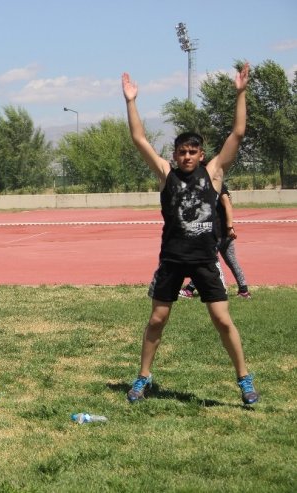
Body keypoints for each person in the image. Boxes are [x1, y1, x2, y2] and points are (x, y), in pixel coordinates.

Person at [121, 63, 259, 405]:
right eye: (181, 151)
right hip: (171, 259)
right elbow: (139, 139)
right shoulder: (166, 175)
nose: (187, 156)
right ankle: (143, 378)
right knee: (157, 319)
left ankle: (244, 379)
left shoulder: (213, 173)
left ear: (200, 153)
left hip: (203, 260)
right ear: (175, 154)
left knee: (223, 321)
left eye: (192, 152)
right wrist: (131, 102)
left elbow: (238, 134)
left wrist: (241, 93)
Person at [180, 182, 251, 299]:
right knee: (232, 262)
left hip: (217, 233)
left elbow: (227, 205)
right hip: (222, 233)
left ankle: (190, 289)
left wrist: (229, 227)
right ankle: (243, 291)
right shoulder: (213, 186)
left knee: (204, 262)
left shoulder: (216, 186)